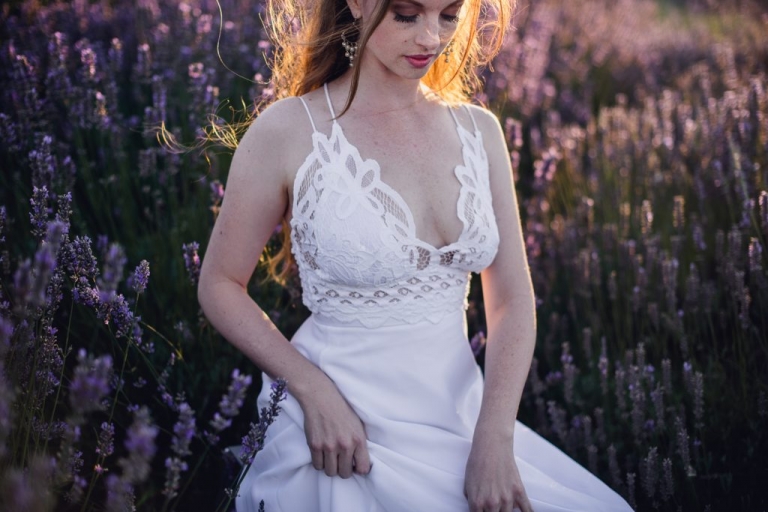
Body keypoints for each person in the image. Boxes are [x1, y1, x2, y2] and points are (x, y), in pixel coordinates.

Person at [197, 0, 634, 508]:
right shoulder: (288, 131)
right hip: (345, 431)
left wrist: (494, 440)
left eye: (448, 15)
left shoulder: (480, 133)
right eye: (407, 14)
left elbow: (511, 302)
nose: (431, 36)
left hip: (463, 419)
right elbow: (220, 284)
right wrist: (311, 390)